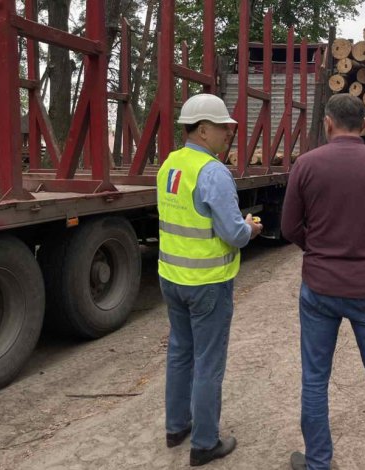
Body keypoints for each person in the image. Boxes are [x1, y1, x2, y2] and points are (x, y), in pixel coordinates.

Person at [282, 93, 365, 470]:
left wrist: (320, 249)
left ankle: (318, 462)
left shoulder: (305, 165)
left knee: (315, 380)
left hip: (319, 289)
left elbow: (290, 227)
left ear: (328, 123)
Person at [156, 93, 262, 467]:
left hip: (171, 277)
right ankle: (204, 443)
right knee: (208, 361)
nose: (227, 134)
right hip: (207, 282)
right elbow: (233, 234)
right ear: (203, 129)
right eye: (222, 128)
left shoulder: (170, 165)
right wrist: (250, 227)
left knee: (181, 353)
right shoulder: (213, 172)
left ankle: (176, 427)